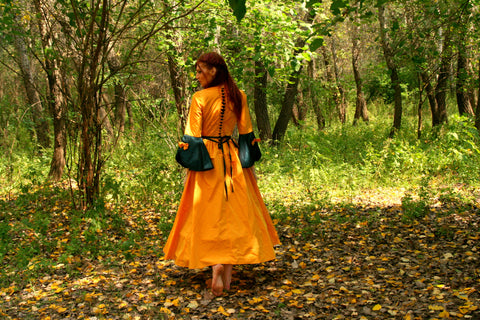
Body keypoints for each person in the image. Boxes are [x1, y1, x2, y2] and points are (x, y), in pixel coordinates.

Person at [163, 52, 280, 297]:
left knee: (207, 214)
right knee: (232, 214)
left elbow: (192, 136)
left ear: (213, 71)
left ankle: (215, 264)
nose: (197, 76)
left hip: (207, 161)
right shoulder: (240, 97)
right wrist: (250, 168)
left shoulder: (200, 98)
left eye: (200, 71)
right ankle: (226, 273)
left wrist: (189, 168)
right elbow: (246, 132)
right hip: (232, 160)